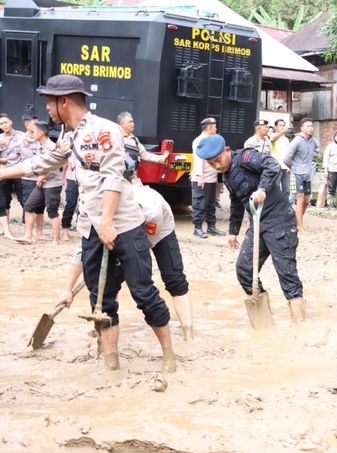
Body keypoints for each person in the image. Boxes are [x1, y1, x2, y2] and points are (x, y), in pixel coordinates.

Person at [0, 74, 176, 371]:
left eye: (49, 101)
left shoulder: (105, 131)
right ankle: (111, 363)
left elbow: (111, 175)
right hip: (92, 228)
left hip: (124, 225)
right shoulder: (69, 137)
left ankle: (169, 356)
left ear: (64, 100)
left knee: (143, 293)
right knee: (102, 301)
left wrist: (108, 221)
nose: (47, 108)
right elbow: (40, 163)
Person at [64, 182, 195, 343]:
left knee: (174, 278)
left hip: (159, 227)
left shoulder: (149, 208)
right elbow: (81, 252)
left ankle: (188, 333)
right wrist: (67, 289)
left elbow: (141, 248)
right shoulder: (96, 213)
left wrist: (126, 259)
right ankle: (105, 327)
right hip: (121, 231)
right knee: (107, 283)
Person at [198, 134, 306, 322]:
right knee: (244, 269)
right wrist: (233, 231)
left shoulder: (245, 157)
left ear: (227, 151)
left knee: (287, 275)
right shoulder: (226, 175)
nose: (216, 165)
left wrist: (262, 188)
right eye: (211, 164)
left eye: (218, 160)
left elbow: (271, 164)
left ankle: (299, 324)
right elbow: (236, 201)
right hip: (258, 225)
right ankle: (265, 320)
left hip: (280, 221)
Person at [18, 121, 64, 244]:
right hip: (41, 183)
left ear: (41, 132)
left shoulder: (51, 146)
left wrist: (42, 178)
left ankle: (56, 240)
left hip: (52, 183)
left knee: (52, 211)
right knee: (28, 206)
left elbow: (54, 166)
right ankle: (28, 236)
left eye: (33, 132)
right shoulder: (40, 146)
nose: (31, 134)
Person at [191, 117, 226, 239]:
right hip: (201, 178)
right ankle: (198, 228)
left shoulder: (212, 140)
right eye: (215, 126)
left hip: (212, 178)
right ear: (209, 127)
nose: (216, 128)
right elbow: (198, 159)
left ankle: (211, 227)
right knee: (199, 203)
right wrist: (200, 176)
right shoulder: (199, 141)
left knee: (211, 204)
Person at [283, 117, 320, 232]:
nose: (310, 128)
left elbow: (317, 151)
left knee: (307, 200)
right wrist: (293, 168)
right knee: (299, 198)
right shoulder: (297, 140)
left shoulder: (313, 141)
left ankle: (296, 221)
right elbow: (286, 158)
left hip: (308, 174)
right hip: (297, 173)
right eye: (308, 126)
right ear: (302, 128)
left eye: (311, 126)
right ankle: (299, 226)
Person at [118, 111, 168, 182]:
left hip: (132, 179)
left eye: (133, 122)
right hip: (118, 179)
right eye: (130, 122)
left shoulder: (134, 140)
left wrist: (162, 158)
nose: (133, 124)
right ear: (122, 124)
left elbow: (145, 155)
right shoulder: (115, 137)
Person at [0, 113, 32, 223]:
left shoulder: (22, 136)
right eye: (1, 124)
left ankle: (26, 222)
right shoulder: (0, 138)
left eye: (5, 122)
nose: (4, 125)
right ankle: (5, 222)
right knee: (4, 199)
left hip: (19, 171)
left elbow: (29, 152)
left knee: (24, 198)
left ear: (11, 122)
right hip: (4, 172)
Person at [270, 119, 291, 198]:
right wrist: (282, 132)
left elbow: (288, 153)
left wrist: (289, 166)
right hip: (276, 166)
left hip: (285, 167)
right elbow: (272, 140)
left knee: (286, 189)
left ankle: (285, 207)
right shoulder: (273, 135)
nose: (282, 127)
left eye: (283, 125)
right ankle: (275, 207)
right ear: (276, 127)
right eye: (280, 125)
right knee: (276, 187)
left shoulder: (285, 139)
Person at [60, 159, 79, 240]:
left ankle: (81, 230)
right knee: (71, 203)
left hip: (87, 176)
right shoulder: (69, 146)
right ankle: (65, 230)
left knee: (84, 204)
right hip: (71, 177)